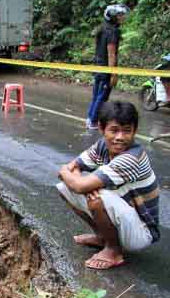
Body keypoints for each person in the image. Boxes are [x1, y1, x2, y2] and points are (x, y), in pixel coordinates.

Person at [57, 101, 159, 270]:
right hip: (125, 214)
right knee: (65, 188)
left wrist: (74, 179)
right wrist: (74, 179)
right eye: (114, 130)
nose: (120, 137)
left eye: (127, 131)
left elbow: (75, 179)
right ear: (101, 128)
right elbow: (75, 166)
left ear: (134, 131)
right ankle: (102, 238)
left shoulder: (133, 157)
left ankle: (113, 251)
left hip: (142, 231)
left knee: (96, 198)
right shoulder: (103, 145)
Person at [85, 4, 129, 130]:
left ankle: (90, 118)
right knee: (102, 97)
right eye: (120, 15)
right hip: (106, 68)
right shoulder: (112, 32)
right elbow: (111, 54)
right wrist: (113, 73)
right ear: (113, 17)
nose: (122, 18)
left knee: (96, 95)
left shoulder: (102, 28)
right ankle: (93, 121)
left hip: (98, 66)